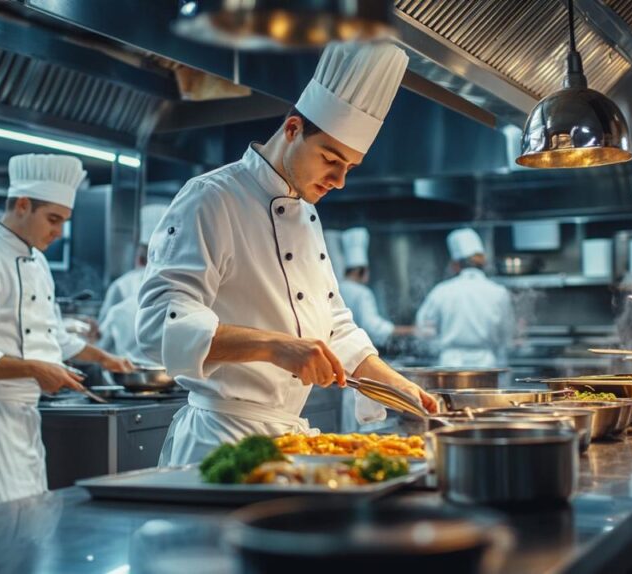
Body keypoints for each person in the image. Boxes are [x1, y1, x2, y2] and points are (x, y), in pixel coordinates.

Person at [136, 41, 439, 466]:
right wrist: (278, 348)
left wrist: (396, 386)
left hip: (288, 445)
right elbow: (157, 326)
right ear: (293, 129)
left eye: (349, 168)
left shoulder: (306, 216)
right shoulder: (211, 198)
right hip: (219, 443)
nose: (339, 181)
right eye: (331, 159)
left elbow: (335, 327)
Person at [0, 154, 134, 511]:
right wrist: (36, 369)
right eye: (53, 219)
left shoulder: (38, 261)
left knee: (30, 532)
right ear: (23, 205)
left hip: (29, 418)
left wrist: (105, 357)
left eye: (64, 222)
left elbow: (53, 335)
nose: (58, 232)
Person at [336, 227, 415, 433]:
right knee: (365, 431)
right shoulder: (362, 293)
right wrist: (410, 330)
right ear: (362, 271)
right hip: (361, 368)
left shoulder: (336, 287)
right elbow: (375, 328)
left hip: (340, 369)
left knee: (347, 429)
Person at [415, 228, 515, 368]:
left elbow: (424, 329)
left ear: (455, 265)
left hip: (450, 364)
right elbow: (506, 333)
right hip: (487, 365)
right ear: (483, 263)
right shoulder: (498, 292)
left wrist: (437, 347)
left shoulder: (442, 291)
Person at [98, 203, 169, 361]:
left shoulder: (122, 285)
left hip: (128, 373)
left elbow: (102, 339)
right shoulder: (179, 284)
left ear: (139, 253)